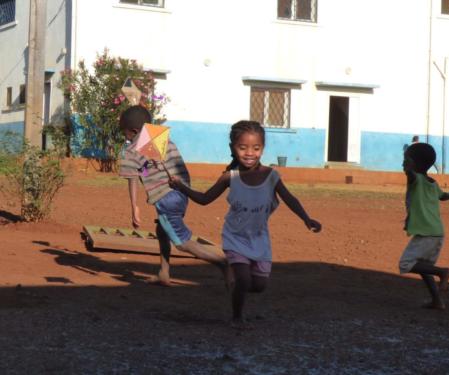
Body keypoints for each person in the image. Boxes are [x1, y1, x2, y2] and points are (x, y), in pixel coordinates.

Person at [169, 120, 322, 328]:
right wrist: (181, 186)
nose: (249, 153)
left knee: (258, 286)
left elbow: (290, 198)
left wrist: (306, 218)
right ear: (233, 148)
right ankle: (237, 316)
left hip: (259, 239)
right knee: (244, 279)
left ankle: (234, 284)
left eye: (256, 148)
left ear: (262, 149)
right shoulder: (229, 177)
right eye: (243, 147)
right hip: (235, 237)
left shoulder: (271, 176)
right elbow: (205, 199)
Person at [118, 105, 229, 287]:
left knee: (181, 242)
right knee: (162, 230)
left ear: (134, 131)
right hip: (181, 193)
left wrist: (134, 208)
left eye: (125, 133)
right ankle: (164, 273)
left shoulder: (132, 151)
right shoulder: (161, 138)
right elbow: (152, 168)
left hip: (166, 199)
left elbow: (133, 179)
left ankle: (223, 263)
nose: (124, 137)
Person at [400, 142, 449, 310]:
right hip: (437, 232)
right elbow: (444, 196)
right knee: (424, 268)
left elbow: (410, 173)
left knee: (406, 264)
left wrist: (409, 167)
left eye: (406, 160)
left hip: (426, 233)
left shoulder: (415, 179)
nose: (403, 164)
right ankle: (437, 301)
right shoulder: (433, 183)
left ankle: (443, 272)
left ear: (413, 164)